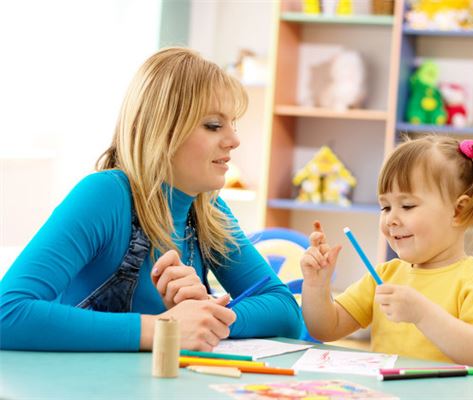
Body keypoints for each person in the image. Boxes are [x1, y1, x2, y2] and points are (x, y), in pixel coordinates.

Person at [0, 47, 302, 351]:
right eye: (213, 125)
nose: (234, 140)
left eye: (232, 124)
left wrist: (205, 316)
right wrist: (164, 329)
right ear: (163, 130)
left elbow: (286, 311)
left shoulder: (207, 210)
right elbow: (7, 312)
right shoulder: (106, 195)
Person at [300, 136, 473, 368]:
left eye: (407, 206)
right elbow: (326, 328)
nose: (391, 219)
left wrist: (423, 315)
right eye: (385, 207)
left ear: (458, 211)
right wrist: (316, 287)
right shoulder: (384, 275)